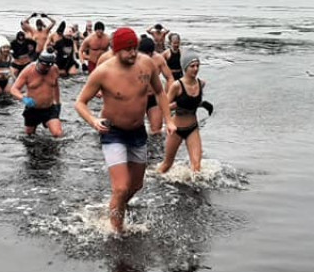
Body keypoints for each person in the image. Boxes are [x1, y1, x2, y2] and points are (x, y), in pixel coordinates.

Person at [75, 28, 174, 234]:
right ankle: (116, 233)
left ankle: (115, 206)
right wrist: (93, 120)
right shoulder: (103, 71)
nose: (132, 54)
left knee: (135, 186)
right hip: (113, 133)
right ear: (117, 50)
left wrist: (168, 120)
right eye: (127, 50)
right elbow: (80, 102)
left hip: (138, 132)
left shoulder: (146, 63)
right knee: (121, 187)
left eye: (134, 49)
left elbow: (159, 92)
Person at [158, 53, 213, 174]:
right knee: (167, 165)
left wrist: (202, 104)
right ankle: (150, 178)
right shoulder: (177, 86)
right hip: (176, 129)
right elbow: (164, 106)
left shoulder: (201, 83)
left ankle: (194, 191)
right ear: (185, 68)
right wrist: (177, 105)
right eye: (192, 66)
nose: (195, 69)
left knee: (197, 166)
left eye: (197, 65)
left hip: (192, 128)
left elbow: (192, 102)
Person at [11, 51, 63, 137]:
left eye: (49, 66)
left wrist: (58, 103)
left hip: (49, 108)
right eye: (44, 66)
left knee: (58, 134)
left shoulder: (54, 69)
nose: (47, 68)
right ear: (39, 62)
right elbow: (14, 89)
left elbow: (55, 85)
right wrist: (23, 98)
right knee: (29, 135)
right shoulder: (28, 71)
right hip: (33, 109)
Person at [138, 35, 174, 134]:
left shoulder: (158, 59)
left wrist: (168, 94)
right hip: (137, 98)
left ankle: (155, 149)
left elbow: (170, 77)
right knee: (134, 128)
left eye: (147, 54)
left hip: (153, 97)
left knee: (156, 130)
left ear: (151, 53)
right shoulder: (134, 58)